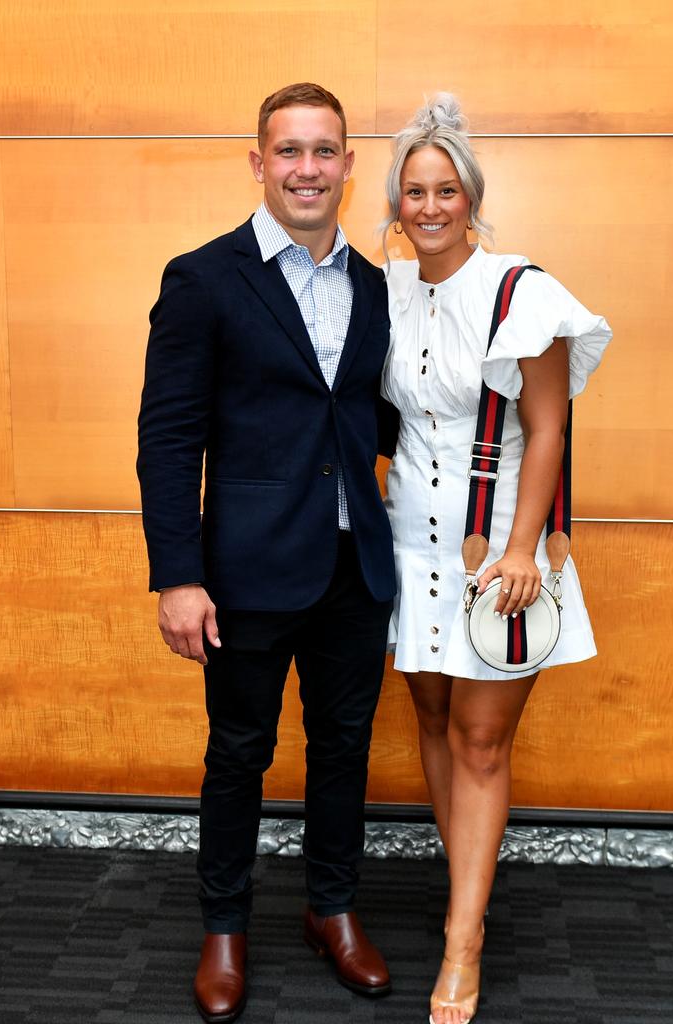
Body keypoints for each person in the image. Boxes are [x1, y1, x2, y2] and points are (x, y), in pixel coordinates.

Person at [137, 82, 398, 1024]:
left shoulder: (374, 286)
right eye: (288, 152)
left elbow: (386, 420)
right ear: (258, 162)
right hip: (244, 571)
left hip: (354, 569)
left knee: (343, 750)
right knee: (238, 753)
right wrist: (177, 575)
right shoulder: (204, 279)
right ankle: (225, 927)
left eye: (324, 151)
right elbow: (168, 440)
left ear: (347, 164)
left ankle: (331, 910)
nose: (307, 169)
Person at [380, 95, 612, 1024]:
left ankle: (461, 944)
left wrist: (522, 550)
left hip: (496, 550)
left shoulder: (523, 291)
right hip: (409, 543)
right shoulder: (387, 290)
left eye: (447, 190)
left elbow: (549, 423)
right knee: (433, 717)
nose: (430, 206)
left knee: (481, 739)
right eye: (414, 192)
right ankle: (464, 884)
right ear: (395, 204)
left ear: (472, 197)